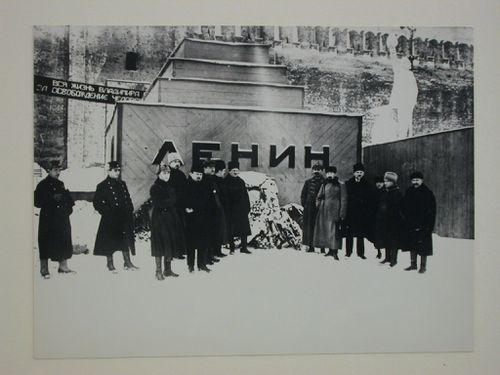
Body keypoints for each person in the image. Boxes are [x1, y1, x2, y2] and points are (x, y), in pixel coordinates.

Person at [93, 161, 138, 272]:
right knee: (110, 241)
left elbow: (127, 198)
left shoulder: (122, 184)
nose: (117, 172)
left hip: (123, 217)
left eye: (118, 170)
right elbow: (97, 203)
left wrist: (129, 209)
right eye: (115, 170)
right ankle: (110, 264)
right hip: (110, 219)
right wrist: (107, 212)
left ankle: (127, 262)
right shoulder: (102, 186)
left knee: (124, 240)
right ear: (108, 171)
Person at [34, 160, 75, 278]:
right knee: (46, 241)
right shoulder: (42, 185)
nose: (58, 172)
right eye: (55, 170)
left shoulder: (61, 184)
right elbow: (37, 202)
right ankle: (44, 269)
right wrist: (51, 198)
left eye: (59, 170)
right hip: (48, 219)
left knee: (63, 240)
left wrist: (68, 207)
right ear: (48, 171)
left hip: (61, 218)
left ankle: (63, 266)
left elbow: (67, 199)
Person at [149, 163, 186, 280]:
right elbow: (159, 203)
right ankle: (158, 271)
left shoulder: (170, 187)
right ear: (159, 174)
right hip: (159, 219)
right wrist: (170, 202)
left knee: (169, 243)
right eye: (164, 173)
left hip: (170, 218)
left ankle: (168, 269)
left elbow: (174, 201)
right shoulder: (155, 187)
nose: (167, 175)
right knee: (159, 244)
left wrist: (170, 202)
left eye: (168, 173)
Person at [401, 171, 437, 274]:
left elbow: (431, 211)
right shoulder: (409, 191)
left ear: (422, 180)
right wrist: (405, 218)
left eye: (417, 180)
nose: (415, 182)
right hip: (411, 223)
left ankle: (423, 266)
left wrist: (428, 226)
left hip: (423, 224)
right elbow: (404, 206)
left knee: (423, 246)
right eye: (413, 180)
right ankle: (413, 264)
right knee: (412, 244)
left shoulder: (428, 193)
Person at [313, 166, 347, 260]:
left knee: (334, 232)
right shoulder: (324, 184)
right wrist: (319, 205)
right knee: (327, 231)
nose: (329, 175)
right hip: (324, 211)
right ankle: (329, 251)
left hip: (335, 211)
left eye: (331, 173)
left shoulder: (341, 184)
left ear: (335, 174)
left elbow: (344, 200)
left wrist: (342, 213)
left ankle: (335, 251)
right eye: (328, 173)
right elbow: (318, 196)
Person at [344, 163, 376, 259]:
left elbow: (370, 199)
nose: (359, 174)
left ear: (363, 173)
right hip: (350, 212)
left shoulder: (367, 185)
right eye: (357, 172)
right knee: (349, 233)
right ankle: (348, 252)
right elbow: (346, 198)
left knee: (360, 234)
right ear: (354, 173)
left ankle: (360, 253)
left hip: (362, 213)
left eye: (361, 172)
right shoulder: (348, 184)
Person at [184, 162, 211, 273]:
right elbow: (182, 201)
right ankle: (190, 265)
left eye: (200, 174)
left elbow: (208, 200)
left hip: (203, 218)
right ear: (191, 174)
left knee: (203, 243)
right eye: (197, 174)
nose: (199, 176)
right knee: (191, 244)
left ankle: (202, 264)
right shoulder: (186, 185)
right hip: (191, 219)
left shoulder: (204, 185)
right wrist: (186, 208)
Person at [374, 172, 403, 267]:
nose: (385, 183)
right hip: (385, 221)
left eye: (387, 181)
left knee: (393, 241)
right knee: (386, 239)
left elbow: (398, 208)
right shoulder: (385, 192)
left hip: (394, 221)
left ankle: (394, 259)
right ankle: (387, 257)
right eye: (385, 181)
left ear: (393, 182)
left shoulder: (397, 193)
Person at [225, 161, 252, 254]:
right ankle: (232, 248)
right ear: (229, 171)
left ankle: (244, 247)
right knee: (231, 230)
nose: (236, 172)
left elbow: (245, 196)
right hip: (231, 210)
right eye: (233, 170)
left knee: (244, 230)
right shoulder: (226, 181)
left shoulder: (241, 181)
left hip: (241, 210)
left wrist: (247, 207)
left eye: (237, 170)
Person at [300, 163, 325, 253]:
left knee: (321, 228)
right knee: (310, 227)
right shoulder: (308, 182)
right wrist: (305, 205)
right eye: (315, 169)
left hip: (320, 208)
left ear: (322, 171)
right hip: (309, 209)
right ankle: (310, 246)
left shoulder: (324, 182)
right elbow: (303, 195)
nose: (316, 171)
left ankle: (322, 247)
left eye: (319, 169)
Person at [167, 152, 187, 260]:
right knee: (172, 229)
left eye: (178, 161)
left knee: (180, 229)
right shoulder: (167, 174)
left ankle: (180, 251)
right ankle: (172, 252)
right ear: (170, 163)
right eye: (174, 162)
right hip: (171, 206)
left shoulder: (181, 175)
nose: (177, 164)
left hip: (180, 206)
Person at [202, 159, 221, 266]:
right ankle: (205, 258)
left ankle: (210, 256)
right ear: (205, 169)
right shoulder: (204, 180)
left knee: (212, 235)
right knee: (206, 236)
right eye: (210, 167)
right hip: (206, 212)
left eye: (213, 167)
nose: (213, 169)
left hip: (214, 212)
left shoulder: (212, 179)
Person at [213, 160, 229, 257]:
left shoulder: (222, 180)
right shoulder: (214, 181)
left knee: (221, 230)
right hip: (216, 209)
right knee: (216, 230)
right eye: (223, 170)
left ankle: (218, 250)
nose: (224, 172)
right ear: (219, 170)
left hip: (222, 209)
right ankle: (215, 251)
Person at [372, 175, 385, 259]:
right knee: (376, 236)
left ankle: (387, 254)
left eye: (380, 182)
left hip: (384, 217)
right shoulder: (374, 192)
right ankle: (379, 251)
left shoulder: (386, 192)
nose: (379, 184)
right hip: (375, 216)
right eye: (377, 183)